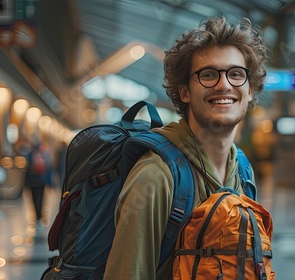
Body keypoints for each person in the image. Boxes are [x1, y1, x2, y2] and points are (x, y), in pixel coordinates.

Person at [103, 16, 268, 279]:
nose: (224, 84)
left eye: (236, 74)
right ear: (185, 92)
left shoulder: (243, 171)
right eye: (208, 75)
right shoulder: (156, 178)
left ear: (249, 90)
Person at [25, 142, 52, 229]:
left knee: (33, 199)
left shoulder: (29, 154)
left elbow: (27, 169)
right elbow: (48, 168)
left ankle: (37, 216)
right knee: (41, 198)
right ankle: (40, 216)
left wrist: (25, 183)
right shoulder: (44, 154)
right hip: (41, 181)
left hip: (32, 181)